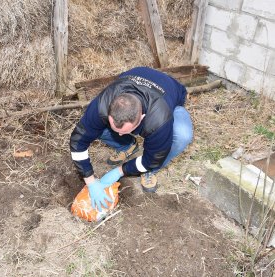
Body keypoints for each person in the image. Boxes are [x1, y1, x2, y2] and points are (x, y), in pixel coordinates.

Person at [70, 66, 193, 211]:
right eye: (117, 131)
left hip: (169, 94)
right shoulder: (102, 104)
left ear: (142, 118)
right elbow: (78, 140)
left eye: (126, 132)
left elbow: (152, 159)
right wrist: (90, 181)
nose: (119, 135)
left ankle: (150, 172)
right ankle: (127, 146)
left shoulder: (159, 119)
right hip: (135, 75)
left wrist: (119, 171)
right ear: (110, 112)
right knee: (93, 126)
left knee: (183, 135)